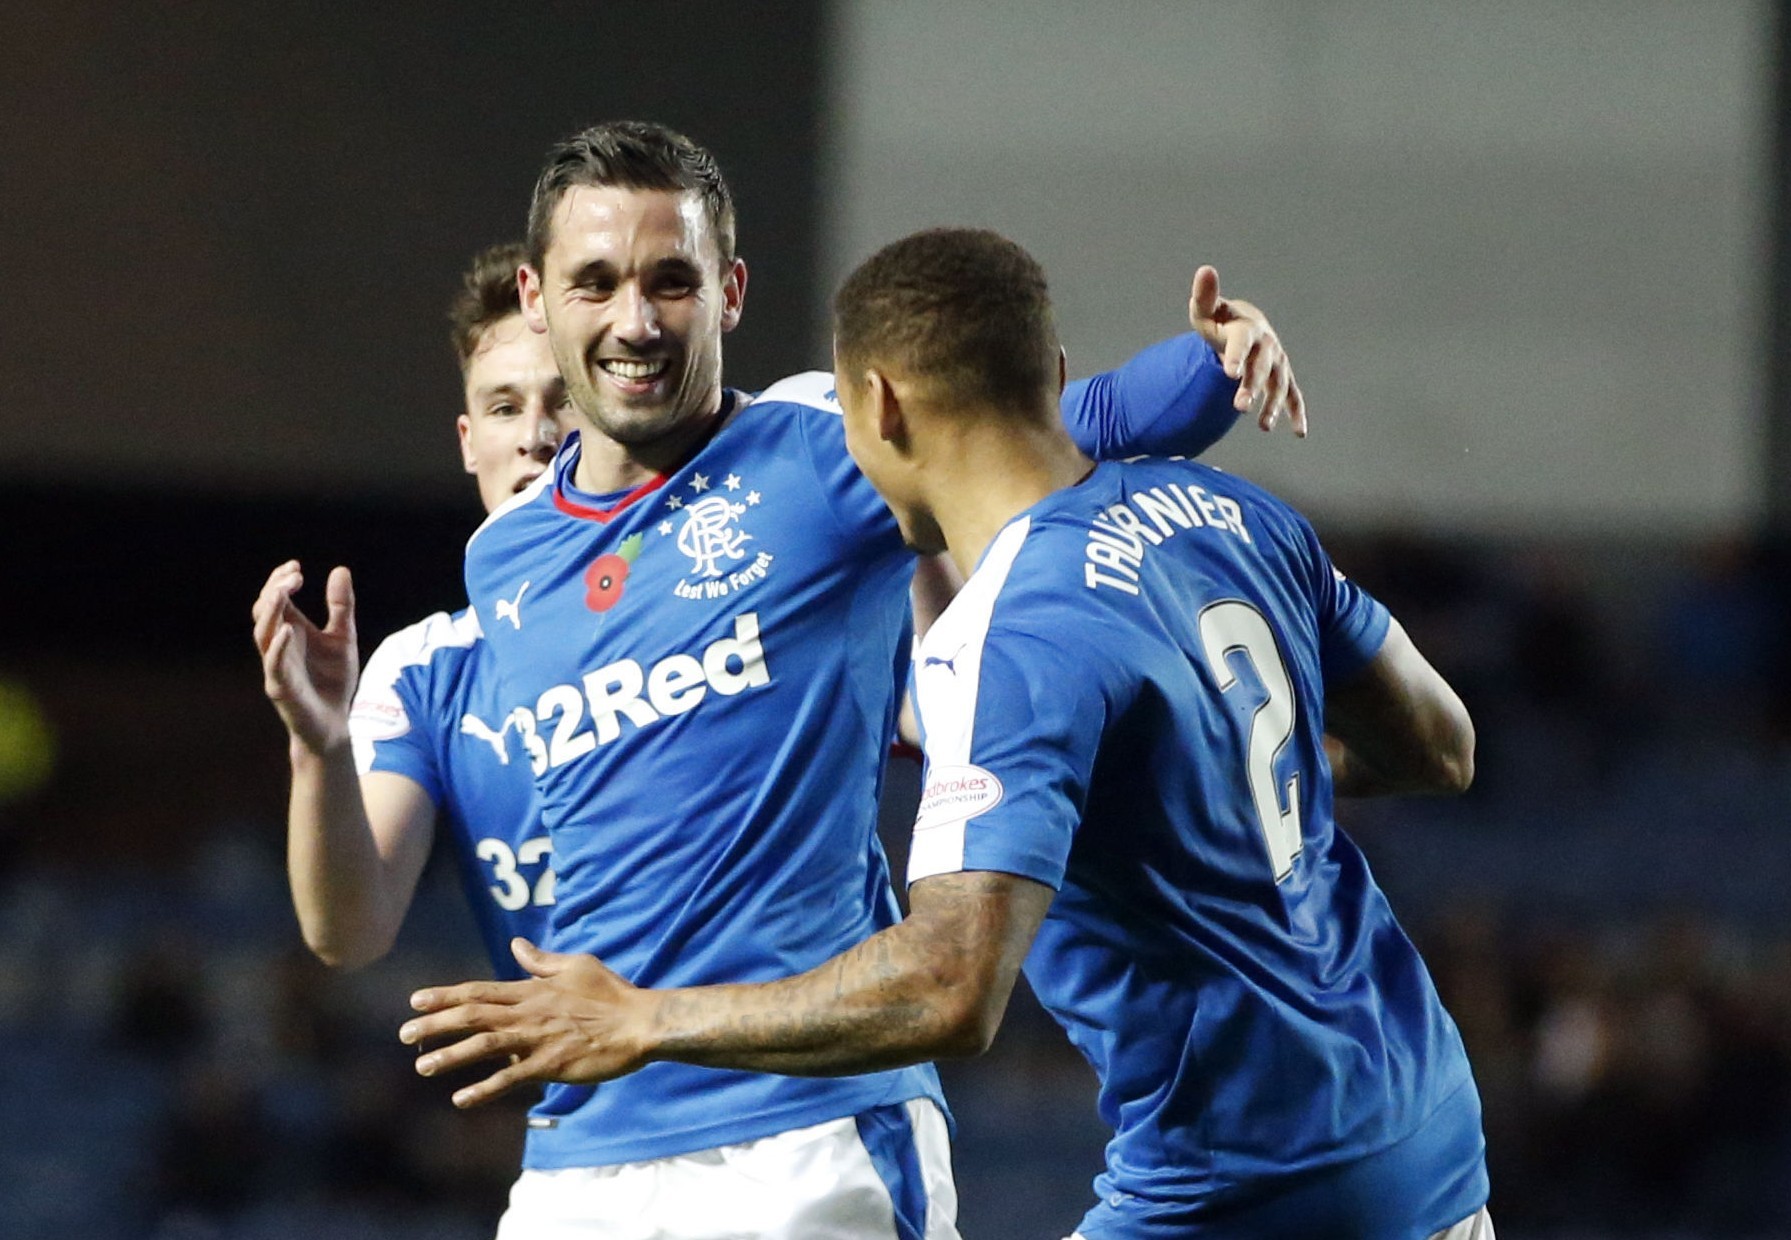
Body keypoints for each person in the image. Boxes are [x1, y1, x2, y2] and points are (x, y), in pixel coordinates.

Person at [402, 227, 1490, 1239]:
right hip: (1433, 1142)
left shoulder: (1003, 641)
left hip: (1240, 1188)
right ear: (1053, 373)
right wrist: (1185, 792)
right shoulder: (1239, 514)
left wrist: (644, 1020)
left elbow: (949, 986)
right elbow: (1441, 744)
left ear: (876, 406)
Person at [252, 242, 565, 978]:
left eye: (565, 402)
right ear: (469, 442)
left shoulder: (715, 606)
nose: (534, 438)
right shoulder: (423, 673)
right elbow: (350, 932)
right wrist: (320, 749)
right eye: (504, 407)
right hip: (586, 1093)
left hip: (782, 1086)